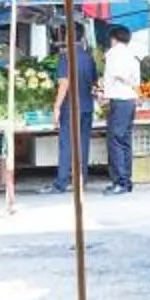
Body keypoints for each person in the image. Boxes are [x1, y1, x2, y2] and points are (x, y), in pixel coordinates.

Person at [49, 21, 97, 194]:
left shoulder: (65, 57)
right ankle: (81, 179)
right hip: (87, 107)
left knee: (67, 144)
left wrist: (56, 107)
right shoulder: (88, 57)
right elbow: (93, 83)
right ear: (82, 37)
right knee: (83, 143)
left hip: (70, 108)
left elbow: (64, 83)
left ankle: (61, 182)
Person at [98, 24, 143, 193]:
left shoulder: (115, 54)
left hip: (120, 99)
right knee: (124, 140)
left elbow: (120, 74)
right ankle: (126, 180)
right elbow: (135, 79)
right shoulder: (132, 54)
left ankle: (120, 182)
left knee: (115, 141)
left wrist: (106, 92)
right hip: (130, 100)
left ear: (113, 39)